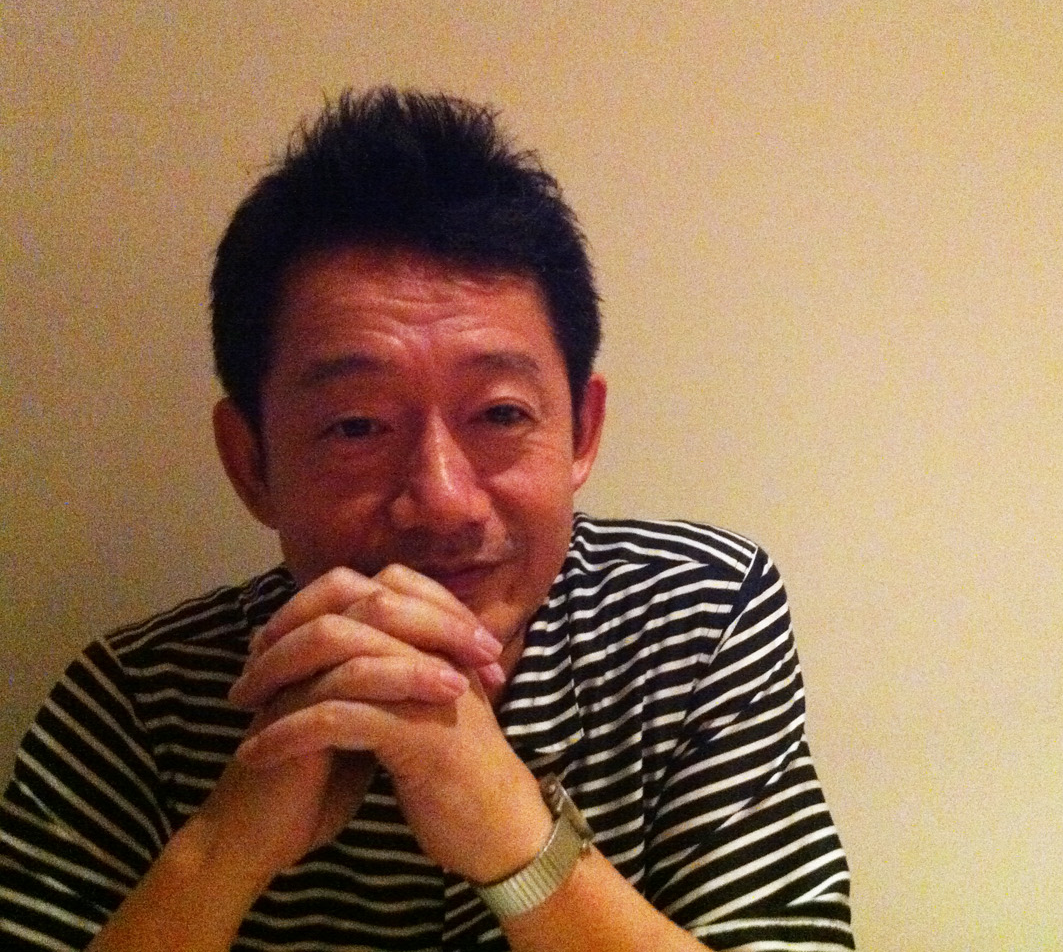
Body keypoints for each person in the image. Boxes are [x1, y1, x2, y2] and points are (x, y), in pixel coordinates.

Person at [0, 89, 854, 951]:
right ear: (251, 462)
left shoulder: (696, 618)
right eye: (357, 426)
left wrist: (514, 837)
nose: (444, 499)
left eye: (500, 413)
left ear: (582, 432)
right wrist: (224, 849)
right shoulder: (135, 702)